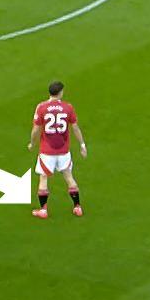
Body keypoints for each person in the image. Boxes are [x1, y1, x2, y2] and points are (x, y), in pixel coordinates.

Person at [27, 80, 87, 219]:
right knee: (68, 177)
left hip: (47, 151)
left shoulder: (41, 107)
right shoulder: (68, 108)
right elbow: (75, 128)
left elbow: (36, 130)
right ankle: (77, 207)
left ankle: (43, 210)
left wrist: (32, 143)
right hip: (64, 150)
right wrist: (82, 145)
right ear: (60, 93)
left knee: (43, 178)